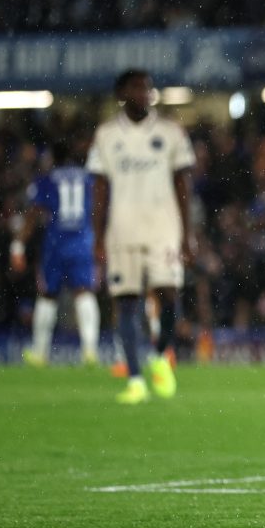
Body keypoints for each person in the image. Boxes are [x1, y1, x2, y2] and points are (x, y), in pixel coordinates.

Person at [87, 69, 196, 404]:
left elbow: (182, 184)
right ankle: (135, 379)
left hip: (164, 228)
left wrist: (187, 233)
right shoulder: (106, 135)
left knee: (169, 294)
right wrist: (99, 237)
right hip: (122, 229)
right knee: (127, 303)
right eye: (136, 87)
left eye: (148, 88)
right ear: (122, 94)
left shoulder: (170, 132)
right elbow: (100, 189)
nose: (144, 93)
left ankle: (161, 355)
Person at [10, 139, 101, 367]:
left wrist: (18, 245)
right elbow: (100, 209)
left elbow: (33, 213)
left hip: (56, 244)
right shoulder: (89, 179)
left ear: (53, 158)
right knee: (84, 292)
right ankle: (90, 350)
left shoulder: (48, 180)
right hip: (83, 242)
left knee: (48, 294)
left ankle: (40, 353)